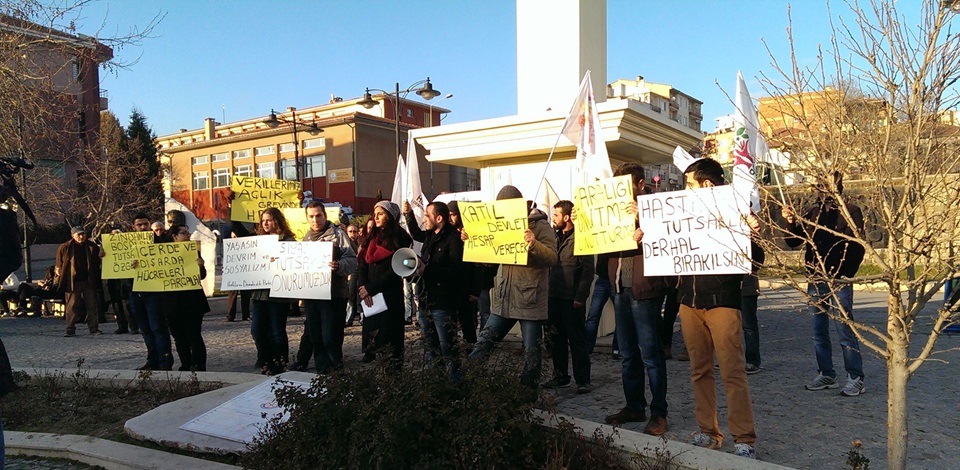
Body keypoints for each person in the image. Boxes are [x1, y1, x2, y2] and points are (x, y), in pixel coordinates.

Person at [667, 158, 759, 458]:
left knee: (732, 371)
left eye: (689, 184)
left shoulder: (736, 212)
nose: (684, 189)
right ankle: (708, 431)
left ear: (707, 184)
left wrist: (752, 234)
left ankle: (744, 438)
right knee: (699, 370)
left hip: (723, 301)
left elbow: (756, 260)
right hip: (689, 302)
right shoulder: (680, 214)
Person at [782, 172, 866, 396]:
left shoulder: (851, 211)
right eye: (819, 185)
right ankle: (826, 372)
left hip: (838, 278)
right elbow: (794, 241)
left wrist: (844, 273)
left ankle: (855, 376)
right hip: (816, 278)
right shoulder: (813, 212)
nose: (822, 190)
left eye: (827, 185)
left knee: (844, 328)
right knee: (818, 330)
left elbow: (858, 245)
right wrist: (791, 222)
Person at [602, 163, 670, 437]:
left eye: (625, 187)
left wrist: (645, 222)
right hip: (620, 288)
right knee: (628, 354)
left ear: (640, 185)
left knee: (651, 355)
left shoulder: (658, 208)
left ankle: (659, 412)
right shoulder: (611, 211)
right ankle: (634, 405)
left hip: (646, 291)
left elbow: (670, 239)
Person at [467, 185, 558, 387]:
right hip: (504, 299)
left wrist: (534, 244)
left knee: (531, 354)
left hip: (529, 300)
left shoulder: (541, 227)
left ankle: (528, 396)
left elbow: (552, 258)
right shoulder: (499, 225)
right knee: (483, 345)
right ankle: (466, 385)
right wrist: (473, 241)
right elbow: (489, 260)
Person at [293, 201, 357, 374]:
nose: (315, 220)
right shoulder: (306, 238)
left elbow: (352, 261)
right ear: (307, 218)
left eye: (318, 215)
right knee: (315, 335)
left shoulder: (337, 235)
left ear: (325, 215)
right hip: (312, 294)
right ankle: (322, 368)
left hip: (333, 295)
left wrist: (338, 266)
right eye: (311, 216)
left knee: (331, 335)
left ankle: (336, 367)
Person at [404, 200, 464, 378]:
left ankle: (455, 386)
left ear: (439, 218)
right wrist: (408, 215)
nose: (424, 220)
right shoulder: (430, 236)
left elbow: (454, 271)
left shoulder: (453, 239)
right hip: (425, 301)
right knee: (430, 349)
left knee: (448, 349)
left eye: (427, 216)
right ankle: (434, 385)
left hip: (443, 303)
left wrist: (427, 270)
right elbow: (415, 233)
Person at [543, 200, 594, 393]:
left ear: (566, 217)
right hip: (554, 296)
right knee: (556, 340)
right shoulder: (553, 237)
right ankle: (560, 376)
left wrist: (580, 297)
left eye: (555, 215)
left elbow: (588, 270)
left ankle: (583, 380)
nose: (552, 219)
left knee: (577, 340)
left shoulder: (582, 238)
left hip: (572, 299)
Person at [357, 201, 412, 370]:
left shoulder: (401, 238)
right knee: (373, 337)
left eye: (380, 214)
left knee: (390, 338)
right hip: (370, 297)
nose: (376, 217)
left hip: (389, 296)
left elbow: (396, 270)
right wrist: (363, 287)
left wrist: (370, 288)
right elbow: (362, 264)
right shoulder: (371, 237)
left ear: (390, 216)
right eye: (375, 214)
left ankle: (393, 373)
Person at [250, 208, 298, 375]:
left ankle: (280, 361)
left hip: (279, 294)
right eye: (263, 220)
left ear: (277, 221)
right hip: (260, 293)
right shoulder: (257, 241)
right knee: (257, 329)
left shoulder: (288, 241)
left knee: (276, 329)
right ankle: (265, 358)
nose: (265, 223)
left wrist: (279, 260)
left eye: (269, 220)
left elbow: (295, 263)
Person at [128, 213, 174, 371]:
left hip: (154, 293)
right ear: (134, 227)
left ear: (150, 225)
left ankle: (165, 361)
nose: (142, 227)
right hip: (135, 293)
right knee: (146, 329)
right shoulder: (127, 245)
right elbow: (116, 266)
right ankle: (152, 360)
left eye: (145, 224)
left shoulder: (161, 243)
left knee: (158, 328)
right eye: (139, 225)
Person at [166, 225, 209, 371]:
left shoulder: (193, 251)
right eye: (183, 233)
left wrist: (201, 266)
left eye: (188, 232)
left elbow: (201, 276)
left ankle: (199, 365)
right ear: (174, 237)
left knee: (194, 335)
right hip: (172, 302)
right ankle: (185, 363)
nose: (188, 235)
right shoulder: (163, 255)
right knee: (178, 336)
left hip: (192, 302)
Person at [56, 226, 104, 337]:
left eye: (83, 234)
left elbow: (97, 262)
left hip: (88, 279)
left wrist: (101, 256)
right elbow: (59, 264)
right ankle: (70, 329)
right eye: (79, 234)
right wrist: (58, 271)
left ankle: (94, 328)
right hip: (72, 280)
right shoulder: (65, 247)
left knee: (92, 305)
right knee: (71, 306)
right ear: (73, 236)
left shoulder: (91, 246)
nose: (81, 236)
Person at [584, 253, 616, 356]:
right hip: (603, 278)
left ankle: (617, 349)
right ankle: (587, 348)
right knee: (593, 315)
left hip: (615, 279)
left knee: (621, 317)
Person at [742, 242, 765, 374]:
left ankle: (752, 360)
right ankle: (730, 358)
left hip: (747, 284)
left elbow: (759, 260)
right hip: (725, 285)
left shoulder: (750, 234)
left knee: (748, 324)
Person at [225, 221, 255, 322]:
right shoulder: (238, 225)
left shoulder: (236, 225)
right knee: (239, 291)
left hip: (241, 260)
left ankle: (233, 315)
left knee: (241, 291)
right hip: (238, 260)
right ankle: (240, 314)